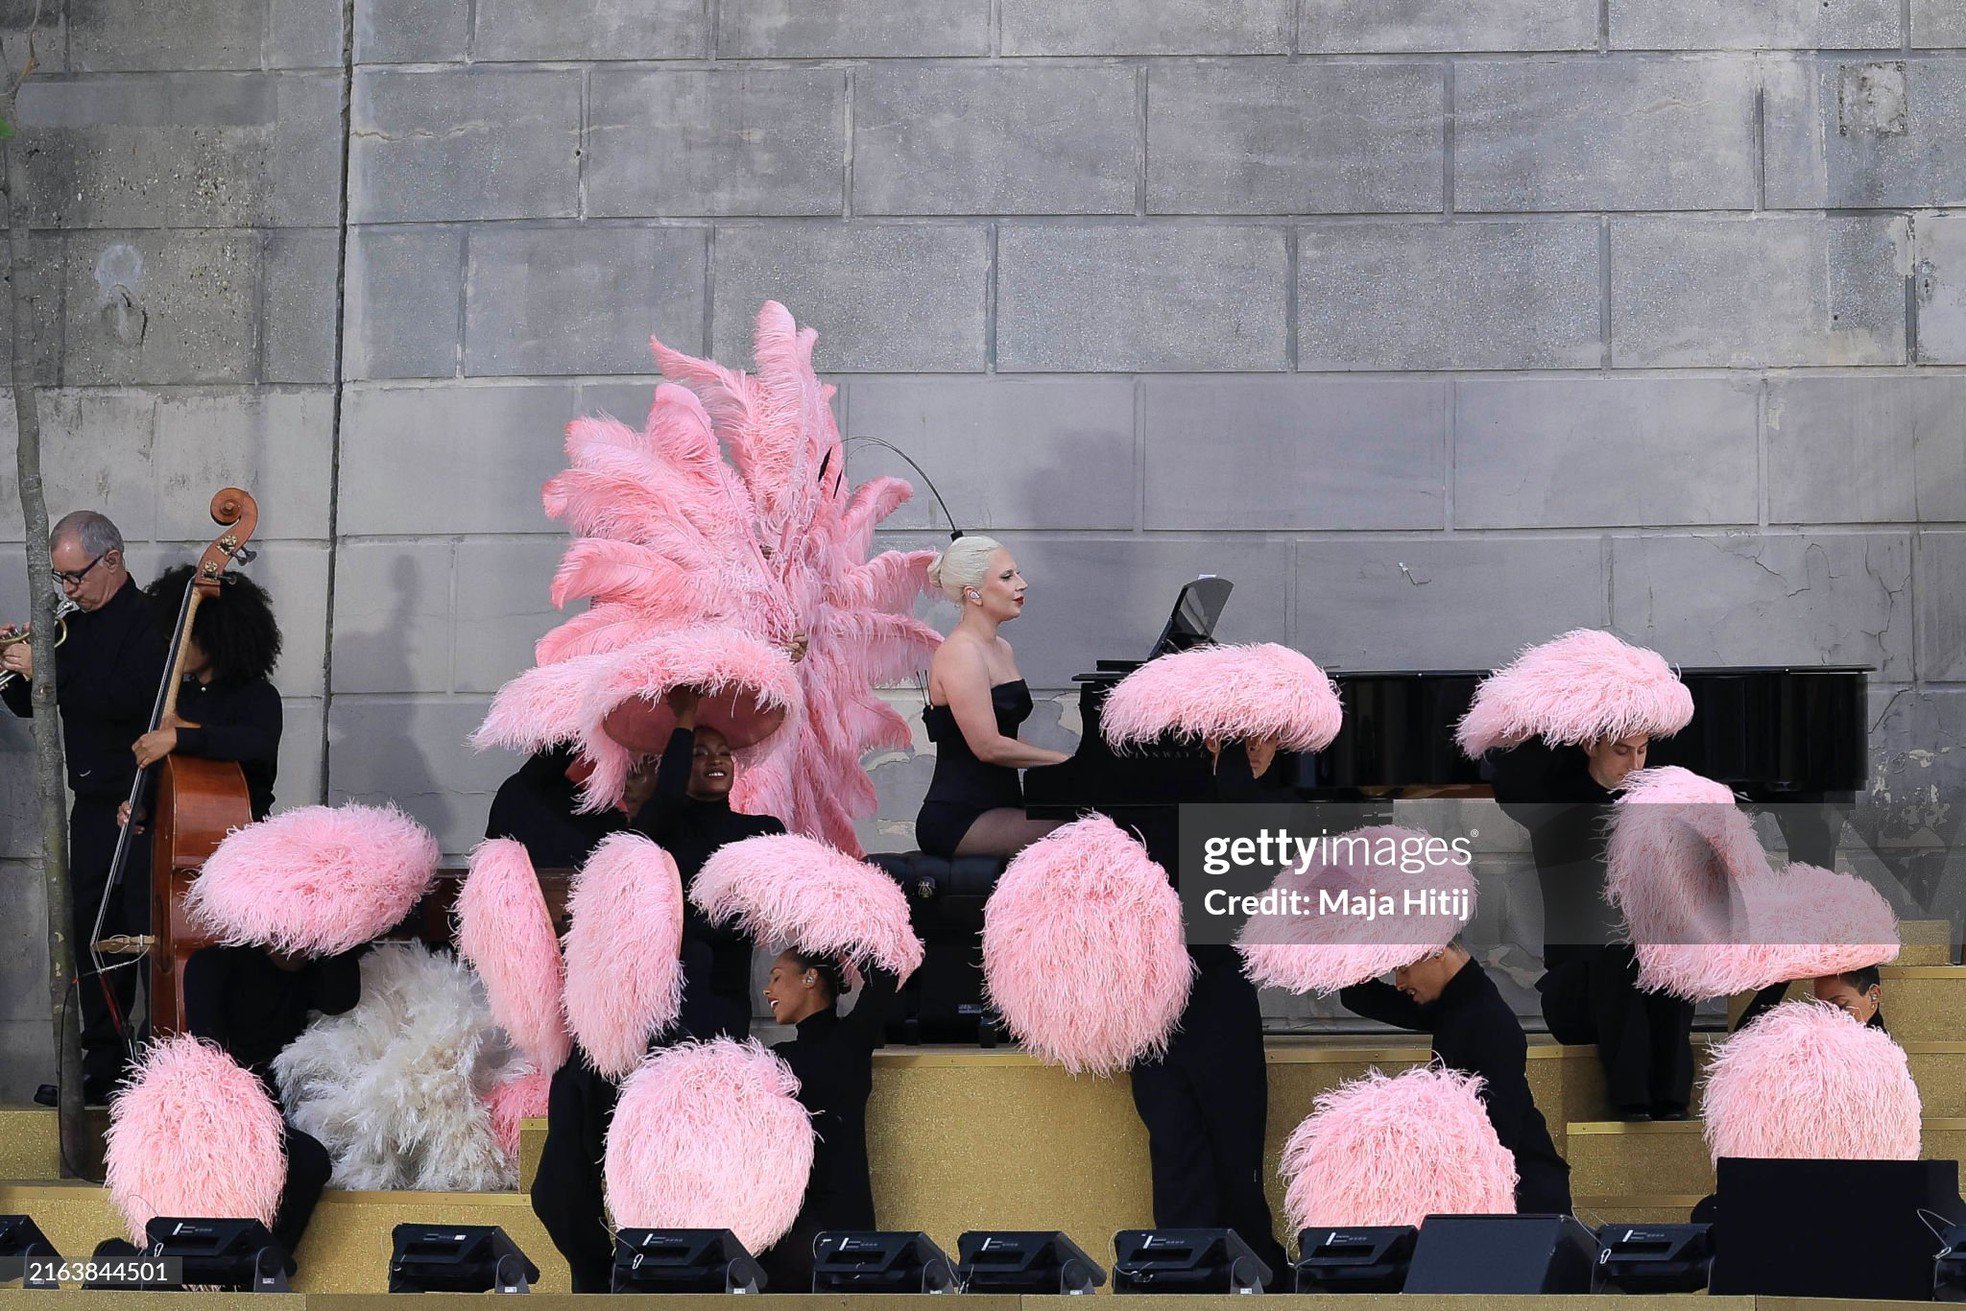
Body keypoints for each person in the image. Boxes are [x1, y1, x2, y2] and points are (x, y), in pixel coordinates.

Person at [3, 511, 168, 1104]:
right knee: (90, 933)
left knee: (145, 933)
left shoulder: (150, 621)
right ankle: (105, 1064)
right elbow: (32, 707)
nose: (68, 590)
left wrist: (52, 671)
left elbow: (129, 699)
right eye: (60, 579)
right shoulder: (72, 628)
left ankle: (157, 1063)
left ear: (113, 560)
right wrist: (17, 671)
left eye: (75, 576)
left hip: (145, 804)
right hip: (95, 804)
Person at [1128, 737, 1288, 1286]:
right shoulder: (1163, 790)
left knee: (1232, 1154)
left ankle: (1249, 1273)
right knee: (1175, 1149)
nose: (1269, 752)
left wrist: (1238, 782)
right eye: (1260, 742)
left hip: (1215, 989)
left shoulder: (1257, 803)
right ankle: (1183, 1277)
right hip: (1158, 994)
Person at [1491, 733, 1695, 1121]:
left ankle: (1670, 1100)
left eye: (1642, 751)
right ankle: (1636, 1099)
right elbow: (1507, 776)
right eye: (1621, 752)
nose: (1634, 766)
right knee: (1615, 950)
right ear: (1591, 746)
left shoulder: (1651, 806)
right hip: (1578, 991)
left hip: (1645, 989)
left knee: (1665, 954)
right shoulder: (1554, 804)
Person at [531, 938, 735, 1293]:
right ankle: (606, 1277)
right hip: (604, 1058)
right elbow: (557, 1190)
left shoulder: (692, 967)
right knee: (558, 1190)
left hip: (667, 1071)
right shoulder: (581, 1049)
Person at [1339, 941, 1573, 1214]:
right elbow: (1362, 997)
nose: (1399, 982)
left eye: (1403, 969)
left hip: (1521, 1200)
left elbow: (1499, 1131)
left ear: (1437, 953)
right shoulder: (1456, 1003)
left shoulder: (1485, 1019)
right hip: (1500, 1189)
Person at [181, 943, 363, 1273]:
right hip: (225, 1110)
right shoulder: (215, 965)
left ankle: (257, 1265)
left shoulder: (314, 972)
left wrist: (333, 933)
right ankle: (255, 1263)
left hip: (290, 1115)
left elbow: (342, 998)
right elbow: (209, 1058)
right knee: (306, 1160)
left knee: (312, 1158)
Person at [628, 687, 787, 1038]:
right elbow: (668, 795)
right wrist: (685, 716)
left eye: (723, 753)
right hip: (671, 1002)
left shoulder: (761, 831)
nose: (715, 761)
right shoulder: (664, 828)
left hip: (730, 998)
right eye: (699, 754)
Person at [915, 536, 1067, 858]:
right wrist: (1066, 762)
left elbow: (1006, 733)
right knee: (1081, 831)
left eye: (1018, 574)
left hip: (1004, 805)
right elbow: (987, 746)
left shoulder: (1002, 649)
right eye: (1007, 577)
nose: (1022, 584)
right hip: (962, 817)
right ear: (973, 594)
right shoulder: (960, 653)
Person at [757, 949, 899, 1292]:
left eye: (776, 977)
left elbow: (887, 971)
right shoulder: (773, 1060)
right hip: (785, 1226)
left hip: (844, 1227)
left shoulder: (851, 1040)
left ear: (810, 978)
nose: (767, 989)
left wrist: (837, 928)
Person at [122, 565, 284, 823]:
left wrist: (181, 736)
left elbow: (255, 744)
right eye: (170, 637)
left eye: (185, 637)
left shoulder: (257, 696)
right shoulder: (176, 697)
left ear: (216, 636)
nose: (174, 647)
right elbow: (162, 779)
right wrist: (142, 808)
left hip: (244, 840)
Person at [1813, 965, 1886, 1031]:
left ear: (1874, 995)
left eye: (1839, 1006)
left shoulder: (1884, 1045)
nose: (1829, 1018)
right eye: (1822, 1009)